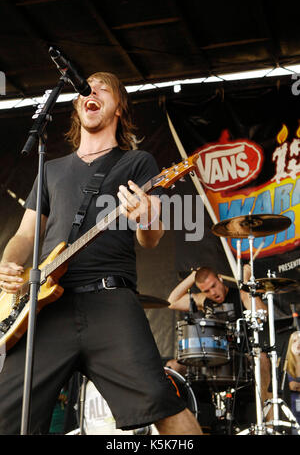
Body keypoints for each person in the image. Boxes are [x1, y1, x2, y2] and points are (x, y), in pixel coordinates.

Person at [0, 72, 202, 435]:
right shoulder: (51, 169)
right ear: (78, 107)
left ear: (119, 109)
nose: (89, 93)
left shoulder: (138, 162)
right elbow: (25, 234)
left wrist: (145, 217)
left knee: (163, 404)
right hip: (45, 307)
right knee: (7, 414)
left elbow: (151, 238)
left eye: (102, 88)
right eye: (84, 91)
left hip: (111, 301)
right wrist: (8, 261)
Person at [166, 266, 272, 418]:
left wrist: (247, 284)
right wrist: (193, 275)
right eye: (207, 290)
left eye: (214, 286)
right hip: (211, 356)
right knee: (173, 366)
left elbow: (262, 315)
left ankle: (268, 419)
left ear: (221, 279)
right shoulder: (203, 300)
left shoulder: (241, 294)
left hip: (239, 356)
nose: (213, 293)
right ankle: (180, 420)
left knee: (262, 358)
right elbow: (171, 302)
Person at [285, 331, 300, 434]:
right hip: (293, 411)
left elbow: (295, 386)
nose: (298, 343)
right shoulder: (285, 364)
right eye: (295, 341)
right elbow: (291, 386)